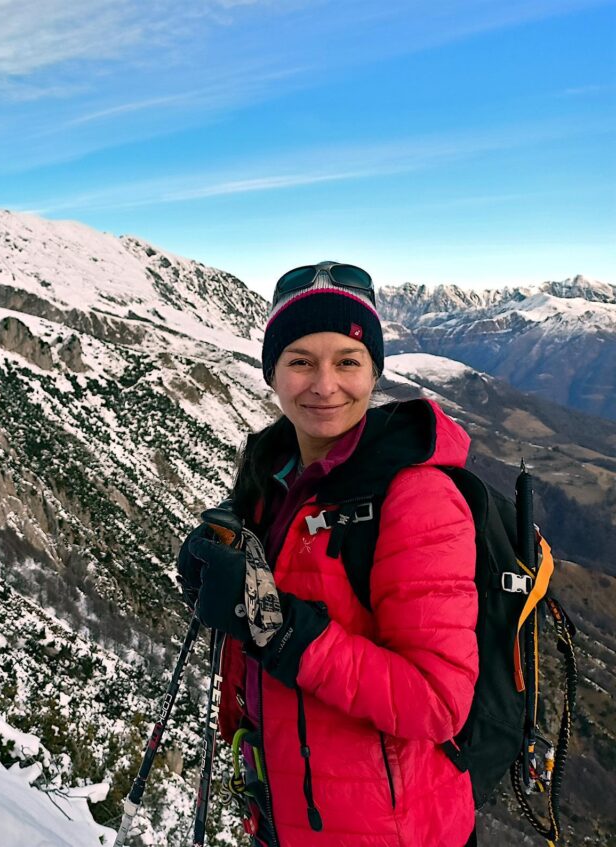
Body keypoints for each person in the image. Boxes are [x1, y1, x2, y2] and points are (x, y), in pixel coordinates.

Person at [177, 262, 479, 847]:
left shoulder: (416, 498)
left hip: (391, 831)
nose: (323, 384)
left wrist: (283, 632)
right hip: (288, 814)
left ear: (373, 372)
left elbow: (438, 702)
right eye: (300, 361)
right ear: (272, 373)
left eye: (347, 361)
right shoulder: (274, 481)